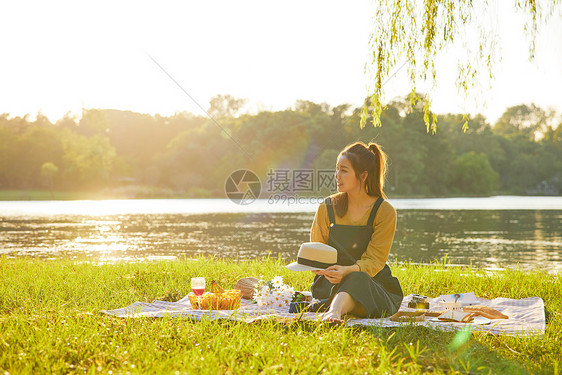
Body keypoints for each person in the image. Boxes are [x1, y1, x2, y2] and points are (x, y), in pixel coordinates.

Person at [309, 141, 403, 323]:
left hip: (371, 283)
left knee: (357, 279)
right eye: (337, 169)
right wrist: (318, 267)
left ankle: (334, 312)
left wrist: (347, 271)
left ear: (363, 175)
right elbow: (317, 250)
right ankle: (339, 307)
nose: (337, 176)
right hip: (330, 283)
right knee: (351, 283)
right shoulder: (327, 206)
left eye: (344, 170)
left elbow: (375, 261)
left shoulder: (384, 211)